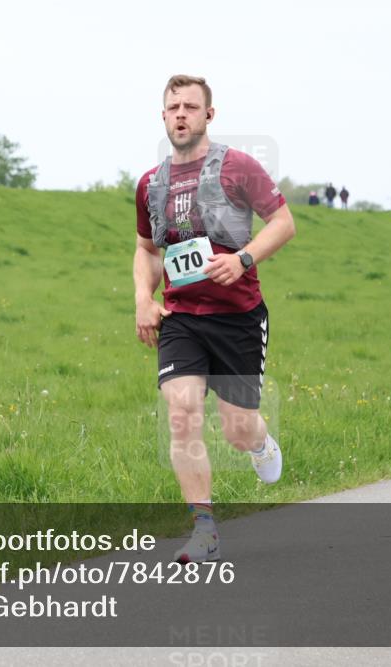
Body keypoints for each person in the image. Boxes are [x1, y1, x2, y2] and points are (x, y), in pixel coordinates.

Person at [134, 75, 296, 562]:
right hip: (183, 317)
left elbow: (284, 223)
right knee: (181, 412)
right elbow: (146, 250)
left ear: (209, 114)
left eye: (190, 106)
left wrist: (244, 259)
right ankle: (204, 529)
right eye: (172, 106)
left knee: (236, 429)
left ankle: (260, 444)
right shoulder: (150, 184)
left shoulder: (238, 167)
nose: (180, 113)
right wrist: (143, 297)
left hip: (238, 317)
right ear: (163, 116)